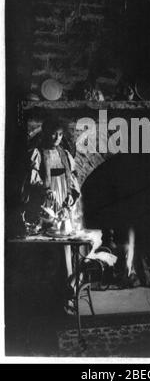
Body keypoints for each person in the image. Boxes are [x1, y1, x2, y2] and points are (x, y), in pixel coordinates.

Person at [21, 117, 81, 312]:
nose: (57, 138)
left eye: (60, 134)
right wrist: (44, 192)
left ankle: (67, 296)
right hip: (45, 204)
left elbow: (72, 179)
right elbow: (32, 179)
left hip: (63, 203)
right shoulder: (37, 153)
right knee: (47, 251)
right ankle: (46, 300)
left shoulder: (64, 154)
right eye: (53, 133)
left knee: (66, 250)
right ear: (46, 133)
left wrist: (70, 198)